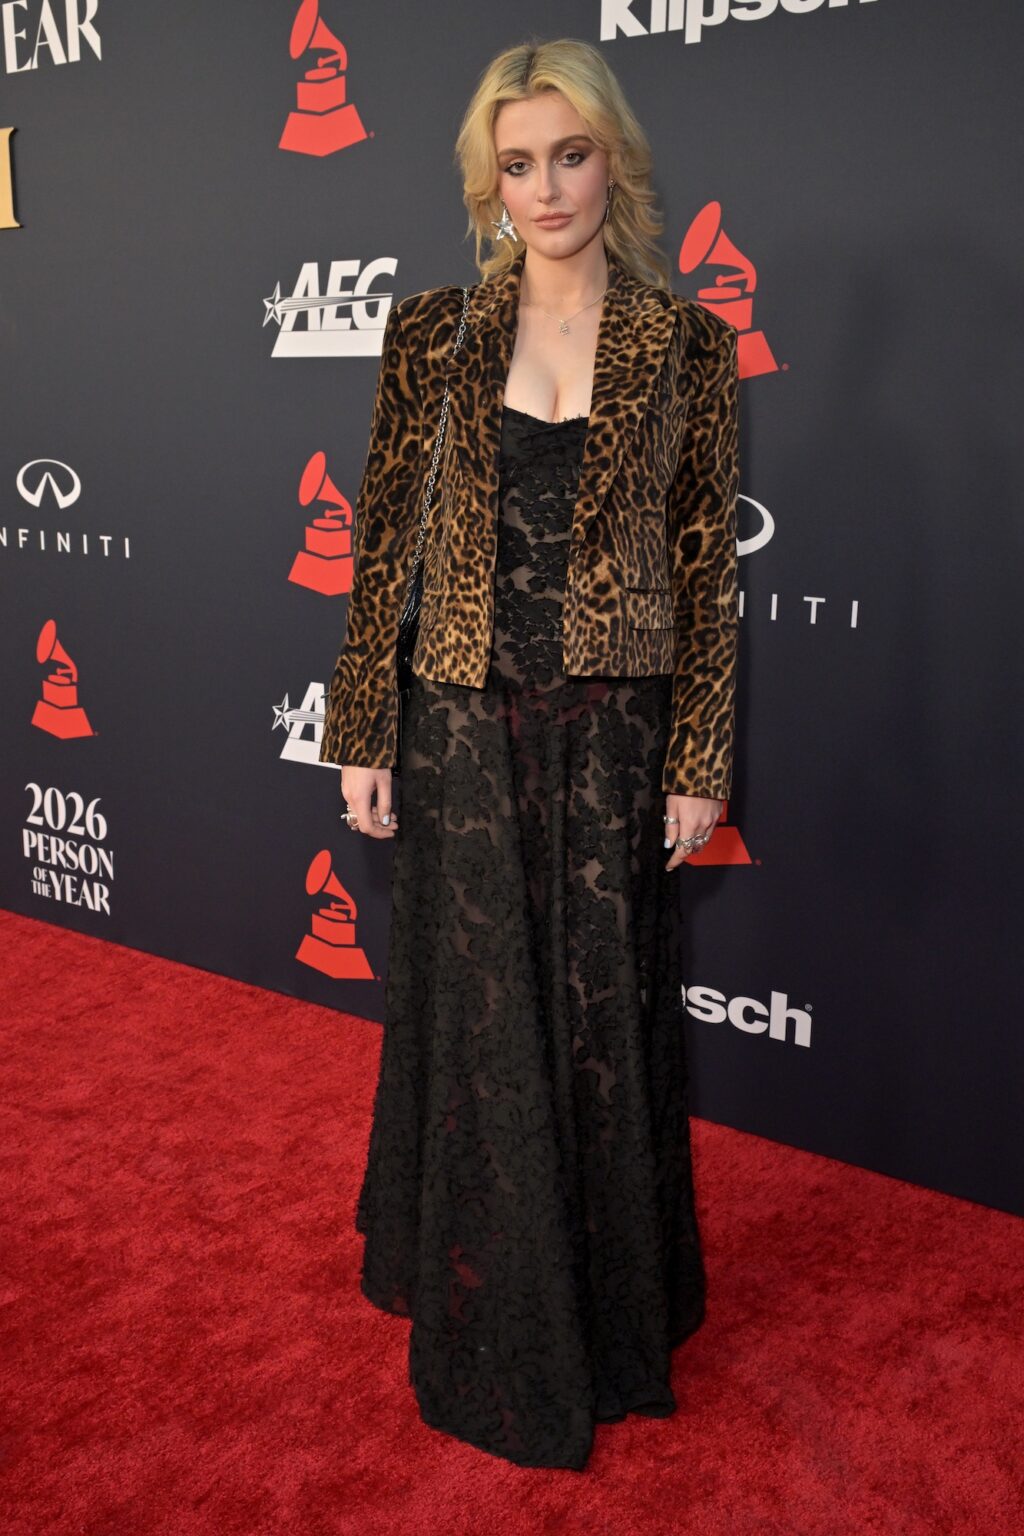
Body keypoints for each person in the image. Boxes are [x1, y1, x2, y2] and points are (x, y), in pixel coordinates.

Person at [318, 36, 740, 1471]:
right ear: (485, 180)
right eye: (516, 162)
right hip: (460, 726)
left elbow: (704, 574)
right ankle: (488, 1304)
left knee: (606, 1026)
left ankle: (615, 1311)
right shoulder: (431, 332)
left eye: (569, 154)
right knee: (481, 1017)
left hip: (616, 737)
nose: (546, 186)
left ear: (609, 159)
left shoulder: (686, 343)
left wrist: (700, 753)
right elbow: (382, 551)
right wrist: (360, 730)